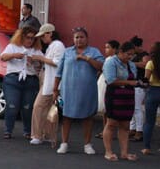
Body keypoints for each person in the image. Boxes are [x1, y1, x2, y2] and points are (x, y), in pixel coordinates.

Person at [53, 27, 104, 155]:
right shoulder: (67, 52)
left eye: (81, 37)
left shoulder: (94, 51)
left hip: (87, 90)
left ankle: (87, 144)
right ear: (73, 39)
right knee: (67, 117)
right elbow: (59, 72)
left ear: (87, 39)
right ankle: (64, 143)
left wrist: (87, 58)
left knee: (87, 117)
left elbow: (101, 66)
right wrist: (55, 89)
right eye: (76, 37)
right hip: (68, 90)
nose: (79, 40)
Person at [0, 26, 44, 139]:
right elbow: (3, 57)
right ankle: (8, 130)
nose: (30, 40)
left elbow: (43, 64)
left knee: (27, 107)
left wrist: (36, 60)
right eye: (27, 37)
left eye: (32, 38)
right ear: (21, 37)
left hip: (30, 79)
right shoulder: (13, 46)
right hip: (13, 79)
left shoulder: (36, 50)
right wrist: (14, 55)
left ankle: (27, 131)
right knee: (12, 105)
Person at [101, 41, 139, 161]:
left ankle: (124, 153)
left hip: (128, 97)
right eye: (128, 54)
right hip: (114, 96)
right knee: (111, 123)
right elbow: (110, 80)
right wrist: (130, 83)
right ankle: (108, 152)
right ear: (120, 52)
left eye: (132, 55)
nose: (130, 57)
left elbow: (134, 79)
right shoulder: (111, 62)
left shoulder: (131, 65)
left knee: (125, 125)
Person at [30, 24, 65, 146]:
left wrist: (41, 58)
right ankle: (47, 135)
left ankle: (38, 135)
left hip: (51, 82)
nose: (42, 39)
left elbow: (58, 63)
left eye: (43, 35)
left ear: (50, 33)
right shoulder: (53, 46)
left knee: (39, 107)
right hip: (48, 79)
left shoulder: (58, 45)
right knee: (48, 109)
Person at [128, 36, 149, 143]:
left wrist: (132, 63)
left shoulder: (144, 55)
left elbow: (146, 65)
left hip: (140, 86)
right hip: (133, 84)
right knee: (133, 108)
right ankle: (132, 129)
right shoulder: (135, 55)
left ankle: (139, 131)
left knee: (137, 109)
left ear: (136, 46)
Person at [141, 41, 160, 156]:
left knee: (149, 122)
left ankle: (147, 148)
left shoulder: (151, 63)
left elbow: (145, 81)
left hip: (153, 91)